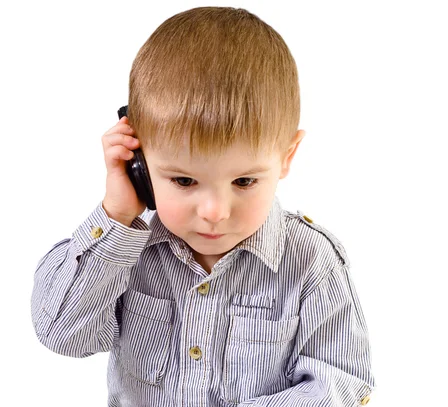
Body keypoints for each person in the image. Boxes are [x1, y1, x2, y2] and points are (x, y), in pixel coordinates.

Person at [31, 6, 375, 406]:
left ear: (286, 155)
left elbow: (340, 386)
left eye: (244, 181)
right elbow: (61, 332)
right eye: (183, 181)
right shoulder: (127, 253)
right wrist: (116, 214)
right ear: (138, 162)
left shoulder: (312, 262)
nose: (214, 211)